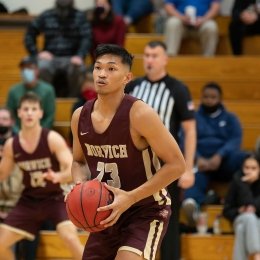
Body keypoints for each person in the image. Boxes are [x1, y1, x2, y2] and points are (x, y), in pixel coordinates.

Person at [70, 43, 186, 260]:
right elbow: (79, 162)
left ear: (127, 77)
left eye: (111, 69)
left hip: (145, 210)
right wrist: (79, 186)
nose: (102, 74)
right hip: (105, 213)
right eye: (97, 68)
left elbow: (177, 165)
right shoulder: (80, 116)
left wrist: (130, 198)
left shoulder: (140, 114)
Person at [125, 40, 196, 260]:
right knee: (131, 218)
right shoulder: (134, 87)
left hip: (166, 166)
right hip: (136, 165)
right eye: (146, 55)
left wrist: (188, 168)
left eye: (154, 55)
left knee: (168, 219)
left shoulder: (177, 89)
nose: (149, 60)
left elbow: (190, 130)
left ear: (165, 59)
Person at [0, 92, 84, 260]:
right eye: (26, 109)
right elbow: (2, 174)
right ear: (19, 113)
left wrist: (59, 177)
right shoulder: (12, 145)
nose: (30, 113)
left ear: (40, 113)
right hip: (28, 201)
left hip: (55, 198)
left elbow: (72, 169)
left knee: (70, 238)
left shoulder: (52, 138)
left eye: (34, 109)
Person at [183, 82, 249, 227]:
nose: (209, 100)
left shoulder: (231, 118)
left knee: (246, 159)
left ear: (220, 99)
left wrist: (219, 155)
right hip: (200, 163)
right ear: (201, 98)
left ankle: (246, 200)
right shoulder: (192, 118)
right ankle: (192, 205)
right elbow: (185, 138)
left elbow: (235, 139)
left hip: (224, 162)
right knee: (191, 171)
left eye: (213, 97)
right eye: (206, 97)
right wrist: (197, 157)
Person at [24, 0, 92, 97]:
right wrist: (37, 53)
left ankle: (72, 101)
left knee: (78, 69)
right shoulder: (46, 15)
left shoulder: (80, 16)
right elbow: (30, 33)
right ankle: (46, 98)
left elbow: (87, 38)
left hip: (71, 58)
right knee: (42, 66)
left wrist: (80, 55)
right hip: (50, 58)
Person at [223, 153, 260, 260]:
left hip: (255, 223)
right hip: (240, 218)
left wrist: (253, 208)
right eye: (246, 167)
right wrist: (240, 210)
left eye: (254, 168)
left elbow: (253, 205)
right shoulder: (237, 181)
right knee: (249, 217)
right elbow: (226, 210)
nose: (249, 171)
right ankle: (257, 255)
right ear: (242, 168)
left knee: (241, 229)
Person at [6, 56, 55, 133]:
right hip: (18, 133)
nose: (26, 71)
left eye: (30, 68)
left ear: (37, 70)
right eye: (23, 68)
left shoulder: (48, 90)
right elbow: (10, 116)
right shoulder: (13, 90)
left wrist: (40, 133)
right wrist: (19, 133)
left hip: (42, 133)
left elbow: (50, 117)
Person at [0, 107, 22, 222]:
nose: (1, 122)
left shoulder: (20, 145)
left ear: (12, 122)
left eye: (4, 119)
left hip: (17, 205)